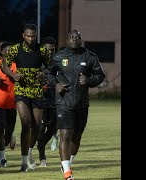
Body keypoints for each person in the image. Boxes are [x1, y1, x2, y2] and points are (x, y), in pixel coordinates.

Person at [44, 30, 105, 180]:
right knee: (65, 134)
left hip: (82, 103)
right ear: (67, 40)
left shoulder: (90, 56)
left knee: (76, 137)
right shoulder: (58, 56)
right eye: (71, 37)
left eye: (77, 37)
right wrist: (56, 84)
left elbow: (100, 75)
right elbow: (48, 73)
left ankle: (67, 164)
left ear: (81, 40)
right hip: (63, 102)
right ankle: (67, 173)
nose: (74, 40)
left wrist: (89, 81)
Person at [1, 23, 50, 172]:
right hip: (21, 90)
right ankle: (23, 163)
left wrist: (44, 74)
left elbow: (50, 67)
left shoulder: (42, 50)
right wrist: (13, 75)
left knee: (37, 126)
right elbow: (4, 65)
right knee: (26, 123)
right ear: (23, 35)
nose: (31, 38)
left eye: (33, 36)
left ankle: (29, 152)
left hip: (37, 91)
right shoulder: (16, 49)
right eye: (28, 36)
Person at [36, 36, 58, 167]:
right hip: (39, 100)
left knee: (53, 127)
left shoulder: (57, 63)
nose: (50, 52)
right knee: (41, 128)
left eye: (52, 50)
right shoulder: (37, 62)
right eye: (47, 50)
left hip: (53, 100)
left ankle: (42, 144)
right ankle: (42, 158)